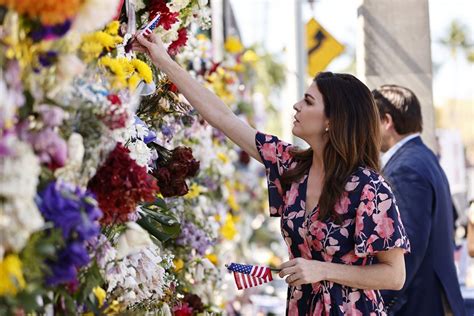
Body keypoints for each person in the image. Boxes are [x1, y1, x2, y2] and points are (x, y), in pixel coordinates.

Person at [134, 33, 411, 315]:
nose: (296, 106)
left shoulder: (370, 188)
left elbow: (394, 275)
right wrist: (162, 59)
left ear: (331, 121)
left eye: (308, 101)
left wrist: (322, 270)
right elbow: (222, 117)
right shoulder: (290, 165)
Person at [372, 85, 466, 316]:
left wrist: (378, 303)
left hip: (417, 304)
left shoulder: (406, 168)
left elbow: (407, 248)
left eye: (370, 120)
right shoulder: (424, 157)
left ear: (386, 121)